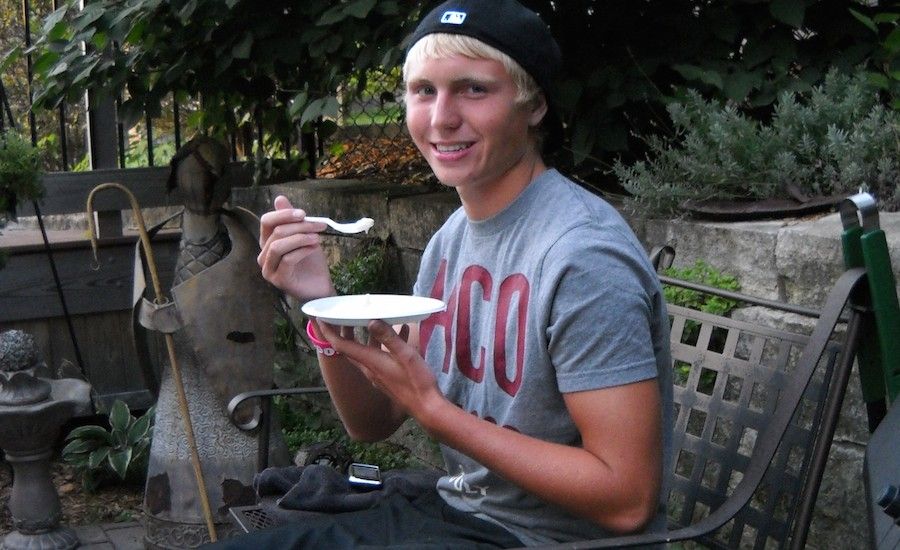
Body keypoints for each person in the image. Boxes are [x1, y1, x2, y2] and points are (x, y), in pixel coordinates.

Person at [219, 0, 673, 547]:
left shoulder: (583, 258)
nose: (441, 118)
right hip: (458, 517)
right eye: (424, 91)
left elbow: (626, 501)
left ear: (534, 106)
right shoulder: (452, 239)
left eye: (474, 89)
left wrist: (437, 415)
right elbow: (373, 421)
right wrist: (319, 301)